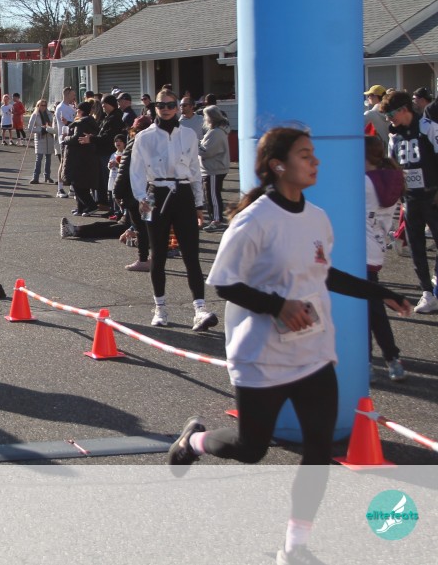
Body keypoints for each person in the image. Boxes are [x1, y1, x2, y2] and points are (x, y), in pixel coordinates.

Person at [168, 126, 412, 565]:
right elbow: (224, 283)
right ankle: (195, 441)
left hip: (314, 351)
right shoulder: (254, 220)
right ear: (278, 165)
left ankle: (295, 547)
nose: (315, 161)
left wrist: (381, 293)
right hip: (262, 354)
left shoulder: (317, 217)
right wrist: (278, 305)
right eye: (305, 155)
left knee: (319, 449)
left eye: (313, 153)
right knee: (251, 448)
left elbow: (324, 274)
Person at [130, 90, 217, 330]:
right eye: (161, 105)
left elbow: (195, 170)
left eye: (170, 105)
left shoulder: (189, 135)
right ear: (155, 107)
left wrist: (199, 204)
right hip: (154, 194)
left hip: (183, 193)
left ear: (178, 107)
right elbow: (136, 171)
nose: (166, 109)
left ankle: (200, 309)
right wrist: (140, 198)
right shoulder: (144, 137)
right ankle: (160, 308)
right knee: (158, 254)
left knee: (191, 254)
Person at [382, 89, 438, 313]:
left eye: (391, 114)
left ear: (404, 109)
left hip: (433, 196)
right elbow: (393, 167)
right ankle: (427, 292)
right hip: (411, 199)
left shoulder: (427, 127)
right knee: (416, 246)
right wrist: (399, 196)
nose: (389, 119)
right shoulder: (394, 136)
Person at [365, 134, 407, 381]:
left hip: (359, 252)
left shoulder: (363, 182)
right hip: (377, 247)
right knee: (373, 306)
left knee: (367, 310)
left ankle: (370, 361)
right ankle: (391, 359)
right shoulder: (392, 177)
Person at [113, 115, 153, 271]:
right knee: (150, 225)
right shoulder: (156, 143)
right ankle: (154, 257)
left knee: (141, 227)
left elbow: (124, 171)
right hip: (152, 190)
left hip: (134, 192)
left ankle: (143, 260)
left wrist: (117, 192)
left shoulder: (134, 143)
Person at [61, 101, 101, 217]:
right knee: (81, 183)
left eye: (77, 110)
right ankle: (81, 207)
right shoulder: (90, 122)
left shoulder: (82, 123)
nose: (76, 112)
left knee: (78, 184)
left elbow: (76, 138)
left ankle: (91, 205)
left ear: (81, 111)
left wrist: (66, 138)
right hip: (85, 156)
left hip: (79, 158)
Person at [199, 105, 232, 232]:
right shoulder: (217, 131)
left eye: (205, 116)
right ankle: (215, 218)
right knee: (211, 194)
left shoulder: (215, 133)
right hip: (213, 168)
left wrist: (196, 145)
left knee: (212, 195)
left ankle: (217, 220)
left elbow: (207, 151)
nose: (204, 119)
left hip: (213, 168)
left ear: (211, 118)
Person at [54, 87, 77, 197]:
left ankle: (72, 188)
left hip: (72, 138)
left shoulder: (71, 107)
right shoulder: (61, 108)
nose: (74, 97)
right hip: (64, 140)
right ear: (67, 95)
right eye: (73, 95)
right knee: (63, 163)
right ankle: (60, 189)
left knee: (73, 163)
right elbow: (67, 123)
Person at [27, 99, 55, 184]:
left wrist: (49, 128)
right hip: (40, 138)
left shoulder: (50, 114)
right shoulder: (35, 115)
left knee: (48, 158)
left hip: (49, 137)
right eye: (42, 105)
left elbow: (53, 125)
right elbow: (30, 128)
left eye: (45, 105)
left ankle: (47, 176)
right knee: (39, 158)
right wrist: (41, 129)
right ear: (38, 106)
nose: (43, 107)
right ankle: (35, 177)